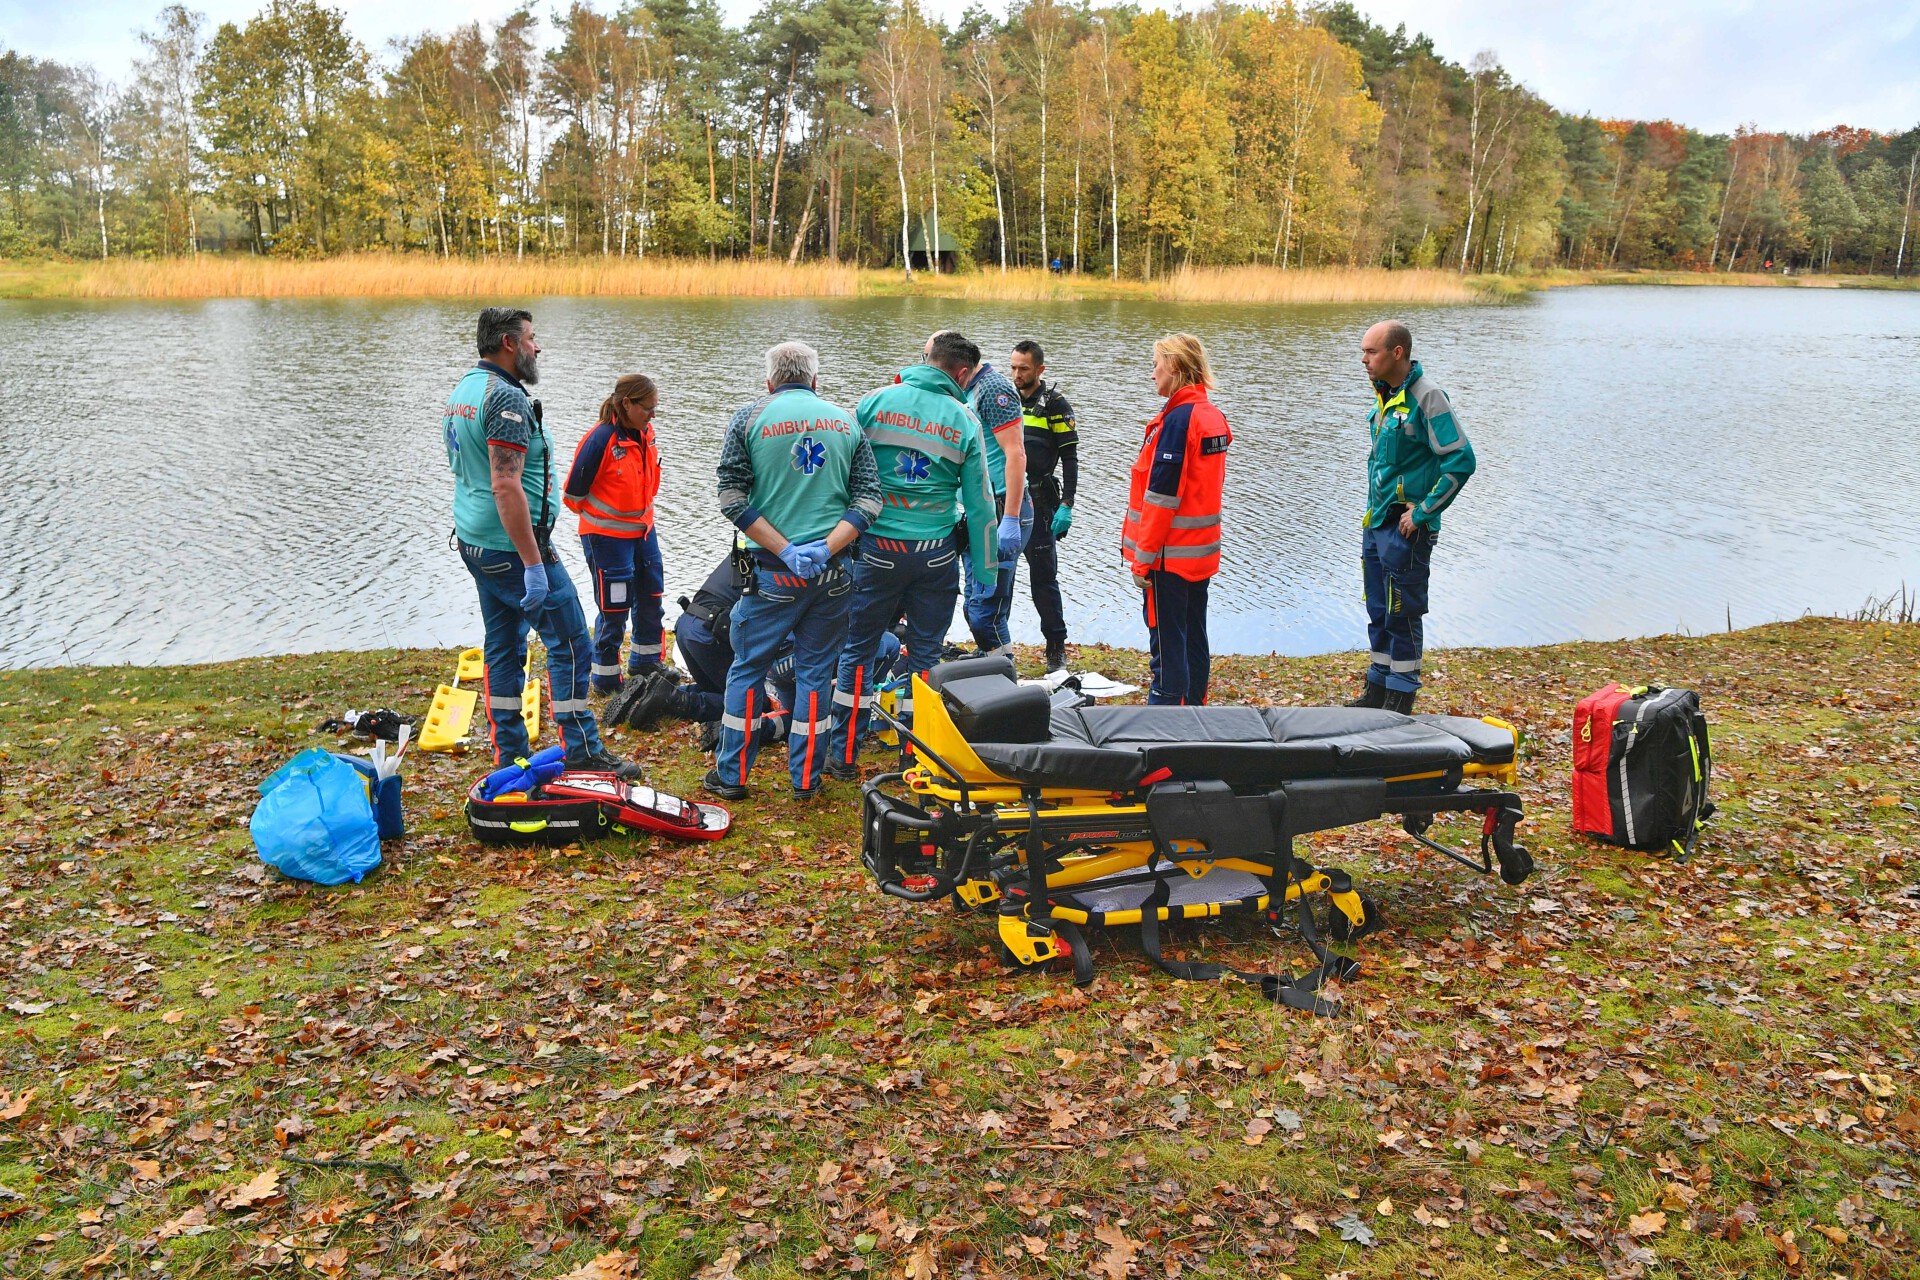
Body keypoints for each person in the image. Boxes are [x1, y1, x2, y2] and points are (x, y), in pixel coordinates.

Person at [443, 307, 639, 779]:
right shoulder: (505, 400)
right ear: (509, 343)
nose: (537, 346)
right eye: (531, 338)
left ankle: (508, 750)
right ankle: (582, 750)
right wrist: (533, 562)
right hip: (514, 550)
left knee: (503, 644)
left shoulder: (464, 390)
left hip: (475, 542)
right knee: (571, 641)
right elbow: (505, 485)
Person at [708, 341, 881, 801]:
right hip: (833, 575)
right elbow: (869, 500)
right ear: (814, 380)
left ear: (769, 381)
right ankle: (806, 779)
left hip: (770, 573)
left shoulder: (749, 418)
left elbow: (731, 496)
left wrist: (786, 550)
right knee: (816, 673)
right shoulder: (846, 421)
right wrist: (825, 549)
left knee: (747, 668)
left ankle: (732, 777)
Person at [827, 331, 1000, 777]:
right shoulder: (964, 420)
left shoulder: (872, 403)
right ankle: (916, 753)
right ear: (961, 373)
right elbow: (981, 500)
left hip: (876, 550)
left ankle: (844, 755)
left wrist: (833, 542)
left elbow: (842, 475)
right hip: (934, 555)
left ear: (927, 359)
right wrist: (986, 568)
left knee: (858, 650)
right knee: (924, 656)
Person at [626, 549, 902, 748]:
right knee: (751, 703)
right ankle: (677, 701)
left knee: (728, 689)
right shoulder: (816, 561)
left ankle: (658, 690)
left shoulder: (763, 541)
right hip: (715, 637)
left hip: (690, 626)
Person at [1348, 320, 1476, 715]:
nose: (1364, 359)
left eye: (1371, 352)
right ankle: (1377, 690)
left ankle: (1400, 699)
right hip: (1377, 523)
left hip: (1407, 529)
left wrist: (1422, 513)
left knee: (1403, 611)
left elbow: (1461, 461)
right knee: (1378, 609)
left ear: (1397, 353)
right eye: (1364, 352)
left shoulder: (1427, 397)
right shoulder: (1385, 396)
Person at [1121, 333, 1231, 707]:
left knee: (1167, 646)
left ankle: (1164, 724)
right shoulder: (1211, 415)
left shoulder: (1179, 420)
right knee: (1193, 636)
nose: (1152, 374)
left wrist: (1143, 559)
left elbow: (1162, 498)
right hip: (1199, 556)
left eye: (1156, 365)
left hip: (1169, 557)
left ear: (1177, 367)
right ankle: (1195, 715)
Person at [563, 373, 665, 695]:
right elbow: (573, 495)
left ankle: (646, 663)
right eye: (647, 408)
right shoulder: (600, 439)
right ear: (627, 404)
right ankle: (606, 679)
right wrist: (605, 520)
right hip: (607, 538)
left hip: (644, 532)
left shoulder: (645, 434)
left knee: (651, 594)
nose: (652, 414)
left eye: (655, 408)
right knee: (615, 606)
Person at [956, 336, 1031, 656]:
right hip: (977, 512)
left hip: (1001, 509)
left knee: (987, 614)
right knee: (974, 608)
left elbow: (1015, 454)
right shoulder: (968, 391)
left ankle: (1005, 677)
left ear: (959, 368)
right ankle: (994, 668)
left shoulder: (993, 389)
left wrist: (1011, 518)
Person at [1009, 339, 1078, 673]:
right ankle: (996, 644)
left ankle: (1055, 647)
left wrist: (1067, 504)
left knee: (1043, 579)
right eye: (1013, 367)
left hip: (1038, 503)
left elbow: (1070, 457)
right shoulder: (1003, 400)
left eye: (1023, 368)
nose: (1017, 374)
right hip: (1005, 499)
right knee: (997, 577)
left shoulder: (1055, 404)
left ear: (1040, 369)